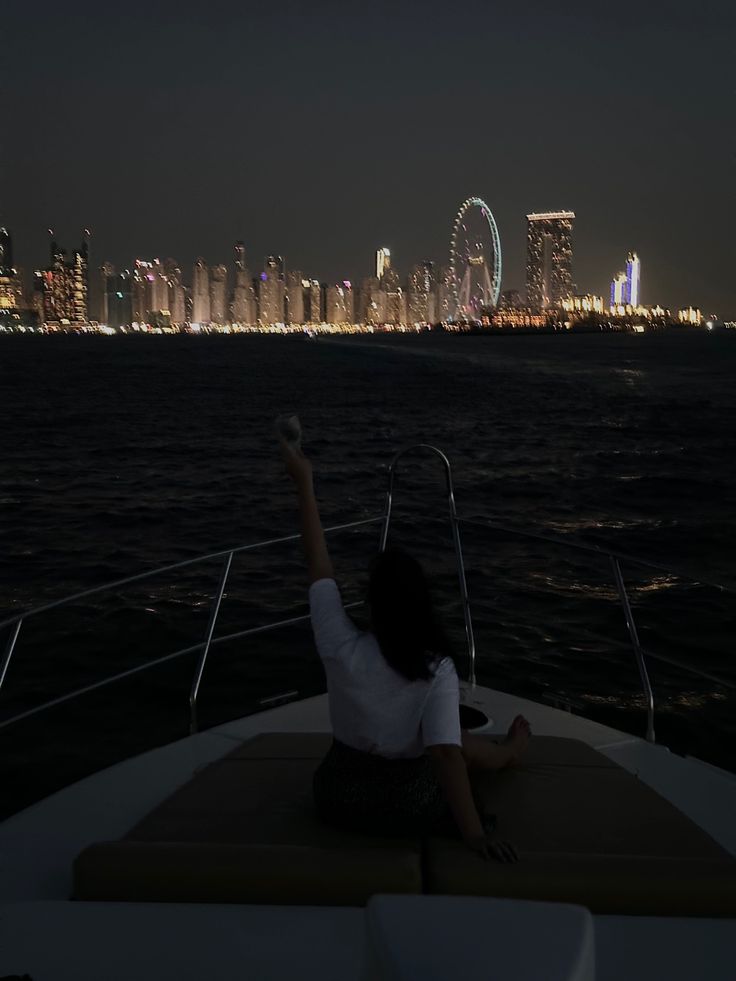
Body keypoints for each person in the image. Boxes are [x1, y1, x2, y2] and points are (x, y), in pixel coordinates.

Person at [280, 435, 531, 862]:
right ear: (421, 607)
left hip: (337, 800)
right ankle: (508, 754)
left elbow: (317, 560)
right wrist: (473, 836)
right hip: (405, 808)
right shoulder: (436, 670)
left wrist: (303, 481)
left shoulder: (338, 643)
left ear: (371, 605)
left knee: (452, 737)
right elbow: (446, 756)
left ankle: (505, 753)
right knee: (456, 740)